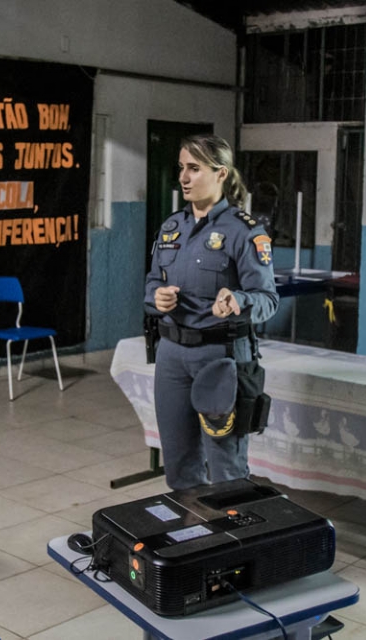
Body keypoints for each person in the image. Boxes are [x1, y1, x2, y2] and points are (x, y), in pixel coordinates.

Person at [144, 134, 278, 490]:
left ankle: (231, 541)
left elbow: (267, 298)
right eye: (181, 168)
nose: (184, 178)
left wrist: (238, 301)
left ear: (220, 173)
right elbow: (152, 281)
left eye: (194, 168)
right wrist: (157, 298)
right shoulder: (172, 228)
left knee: (226, 468)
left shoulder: (244, 231)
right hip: (171, 354)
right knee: (178, 465)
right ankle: (194, 539)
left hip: (219, 357)